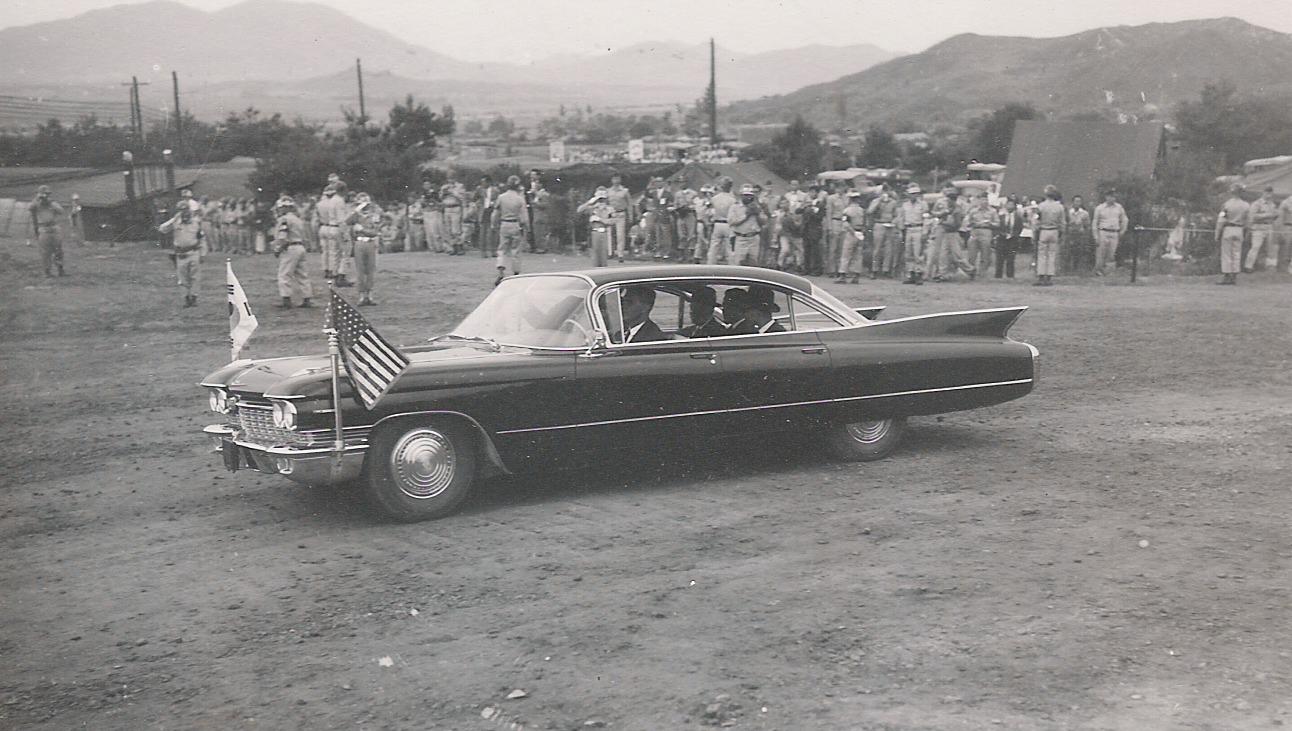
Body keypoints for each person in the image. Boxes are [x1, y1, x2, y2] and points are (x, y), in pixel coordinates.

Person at [158, 204, 203, 307]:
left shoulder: (196, 222)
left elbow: (201, 238)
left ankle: (194, 297)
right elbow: (162, 229)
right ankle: (186, 298)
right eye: (181, 210)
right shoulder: (176, 223)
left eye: (186, 210)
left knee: (195, 276)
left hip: (193, 251)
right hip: (181, 253)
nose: (184, 212)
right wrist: (174, 219)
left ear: (189, 211)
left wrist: (203, 253)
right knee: (183, 278)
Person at [272, 196, 313, 308]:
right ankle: (307, 298)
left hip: (290, 247)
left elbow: (283, 236)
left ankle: (286, 299)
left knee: (284, 274)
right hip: (300, 246)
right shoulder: (298, 219)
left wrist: (278, 248)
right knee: (302, 274)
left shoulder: (285, 219)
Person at [929, 186, 975, 282]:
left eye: (951, 199)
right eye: (949, 199)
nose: (949, 201)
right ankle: (942, 274)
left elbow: (957, 225)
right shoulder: (947, 208)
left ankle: (970, 270)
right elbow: (936, 214)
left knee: (957, 255)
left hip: (953, 234)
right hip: (946, 233)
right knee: (943, 254)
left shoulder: (957, 210)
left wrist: (944, 223)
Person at [346, 192, 382, 305]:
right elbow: (347, 221)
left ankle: (369, 295)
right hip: (359, 242)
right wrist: (356, 211)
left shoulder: (374, 215)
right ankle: (361, 295)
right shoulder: (356, 216)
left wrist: (362, 230)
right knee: (360, 270)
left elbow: (374, 232)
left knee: (370, 270)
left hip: (370, 242)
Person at [494, 175, 529, 286]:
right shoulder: (520, 199)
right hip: (515, 224)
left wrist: (493, 224)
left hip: (504, 223)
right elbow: (524, 216)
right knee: (516, 250)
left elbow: (495, 213)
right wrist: (525, 226)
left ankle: (501, 272)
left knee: (502, 249)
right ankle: (516, 274)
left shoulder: (501, 197)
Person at [1214, 183, 1250, 285]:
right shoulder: (1246, 205)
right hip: (1239, 229)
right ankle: (1234, 275)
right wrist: (1246, 231)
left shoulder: (1227, 205)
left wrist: (1217, 233)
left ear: (1232, 192)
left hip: (1228, 228)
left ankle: (1227, 275)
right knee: (1236, 253)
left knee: (1226, 253)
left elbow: (1221, 219)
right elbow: (1248, 220)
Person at [314, 183, 349, 285]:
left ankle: (333, 272)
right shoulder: (339, 201)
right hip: (337, 227)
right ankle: (341, 275)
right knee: (345, 253)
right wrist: (345, 233)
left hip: (328, 226)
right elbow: (340, 218)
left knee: (333, 252)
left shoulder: (327, 202)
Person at [28, 185, 66, 277]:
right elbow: (30, 207)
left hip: (54, 227)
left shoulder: (52, 203)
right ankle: (47, 272)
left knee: (58, 250)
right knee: (45, 252)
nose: (45, 196)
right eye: (44, 194)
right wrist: (37, 199)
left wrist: (50, 203)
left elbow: (61, 211)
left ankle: (60, 269)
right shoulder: (36, 204)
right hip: (43, 229)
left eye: (47, 194)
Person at [1033, 185, 1066, 286]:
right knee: (1052, 254)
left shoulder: (1041, 206)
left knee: (1042, 254)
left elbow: (1036, 220)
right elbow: (1062, 222)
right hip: (1054, 231)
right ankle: (1049, 277)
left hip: (1044, 230)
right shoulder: (1059, 206)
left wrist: (1035, 231)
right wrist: (1062, 232)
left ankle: (1041, 276)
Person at [896, 183, 929, 284]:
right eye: (911, 194)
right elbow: (901, 218)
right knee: (908, 253)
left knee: (918, 253)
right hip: (908, 229)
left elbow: (926, 219)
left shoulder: (923, 205)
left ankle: (919, 273)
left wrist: (925, 231)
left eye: (915, 194)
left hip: (918, 228)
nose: (913, 196)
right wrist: (901, 230)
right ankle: (910, 273)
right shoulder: (905, 205)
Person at [728, 184, 767, 267]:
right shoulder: (735, 207)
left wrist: (757, 214)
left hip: (754, 237)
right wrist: (746, 216)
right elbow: (731, 222)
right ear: (741, 195)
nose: (748, 197)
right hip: (741, 237)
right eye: (746, 195)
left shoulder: (756, 206)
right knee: (738, 262)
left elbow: (764, 222)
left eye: (750, 195)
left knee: (753, 262)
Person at [1092, 190, 1128, 276]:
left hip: (1114, 232)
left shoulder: (1119, 207)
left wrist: (1123, 230)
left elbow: (1125, 219)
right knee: (1101, 252)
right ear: (1106, 197)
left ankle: (1108, 272)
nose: (1112, 198)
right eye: (1110, 196)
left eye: (1113, 196)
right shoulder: (1100, 208)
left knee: (1111, 253)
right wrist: (1095, 236)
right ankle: (1098, 271)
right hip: (1103, 231)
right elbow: (1095, 222)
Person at [577, 187, 615, 267]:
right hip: (594, 232)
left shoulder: (609, 209)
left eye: (603, 199)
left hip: (604, 232)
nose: (601, 201)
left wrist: (600, 219)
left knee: (603, 257)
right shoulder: (592, 208)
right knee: (595, 257)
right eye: (599, 199)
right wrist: (590, 202)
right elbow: (579, 210)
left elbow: (612, 221)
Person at [867, 186, 900, 278]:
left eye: (886, 191)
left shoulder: (893, 202)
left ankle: (886, 270)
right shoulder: (875, 201)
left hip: (889, 225)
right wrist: (878, 201)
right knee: (877, 249)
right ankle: (874, 269)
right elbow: (870, 211)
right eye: (883, 191)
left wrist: (893, 222)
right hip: (879, 224)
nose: (885, 193)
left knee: (889, 249)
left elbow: (897, 215)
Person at [1244, 186, 1278, 272]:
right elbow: (1252, 216)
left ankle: (1270, 266)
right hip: (1258, 227)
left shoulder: (1272, 204)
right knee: (1255, 247)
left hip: (1269, 226)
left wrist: (1275, 215)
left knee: (1271, 247)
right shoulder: (1257, 203)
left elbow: (1274, 215)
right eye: (1267, 192)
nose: (1268, 194)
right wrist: (1267, 215)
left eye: (1270, 193)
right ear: (1263, 192)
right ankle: (1248, 266)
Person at [963, 195, 998, 278]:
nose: (984, 202)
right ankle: (971, 271)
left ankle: (982, 273)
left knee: (985, 253)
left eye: (986, 200)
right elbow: (967, 222)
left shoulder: (992, 211)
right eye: (982, 200)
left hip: (986, 231)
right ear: (979, 201)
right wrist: (971, 223)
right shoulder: (973, 211)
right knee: (972, 253)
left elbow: (997, 223)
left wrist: (990, 223)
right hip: (975, 231)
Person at [838, 190, 868, 284]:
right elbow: (865, 223)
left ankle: (843, 275)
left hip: (851, 232)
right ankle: (856, 275)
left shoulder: (847, 210)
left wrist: (853, 232)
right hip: (859, 232)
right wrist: (861, 232)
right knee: (858, 255)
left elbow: (846, 223)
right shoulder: (862, 210)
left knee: (846, 254)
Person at [705, 178, 737, 265]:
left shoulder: (714, 198)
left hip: (717, 223)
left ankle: (710, 265)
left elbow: (709, 211)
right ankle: (732, 267)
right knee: (729, 248)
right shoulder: (733, 200)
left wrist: (710, 220)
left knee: (714, 246)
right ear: (730, 187)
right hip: (728, 224)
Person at [605, 172, 635, 262]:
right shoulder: (608, 191)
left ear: (620, 180)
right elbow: (605, 203)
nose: (616, 180)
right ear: (611, 180)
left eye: (617, 178)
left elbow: (630, 204)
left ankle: (620, 254)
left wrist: (631, 215)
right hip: (610, 214)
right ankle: (610, 253)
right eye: (614, 178)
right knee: (609, 234)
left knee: (620, 235)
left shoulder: (625, 191)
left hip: (621, 214)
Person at [824, 182, 850, 279]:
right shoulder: (831, 198)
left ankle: (841, 270)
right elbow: (829, 213)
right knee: (833, 248)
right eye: (839, 187)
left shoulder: (847, 198)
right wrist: (829, 227)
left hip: (844, 223)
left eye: (842, 187)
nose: (840, 189)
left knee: (842, 248)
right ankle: (831, 270)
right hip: (835, 221)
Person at [995, 198, 1025, 279]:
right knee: (999, 258)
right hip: (1001, 239)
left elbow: (1020, 228)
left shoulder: (1018, 218)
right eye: (1008, 204)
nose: (1010, 206)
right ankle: (998, 275)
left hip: (1013, 240)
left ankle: (1010, 275)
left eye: (1011, 205)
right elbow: (997, 227)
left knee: (1011, 258)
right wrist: (1002, 234)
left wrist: (1014, 235)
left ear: (1014, 206)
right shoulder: (1001, 217)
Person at [1065, 195, 1092, 273]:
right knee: (1069, 251)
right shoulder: (1069, 213)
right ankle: (1067, 269)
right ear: (1073, 202)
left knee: (1079, 251)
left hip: (1080, 234)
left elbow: (1087, 224)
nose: (1077, 203)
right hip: (1070, 234)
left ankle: (1077, 268)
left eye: (1079, 201)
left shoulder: (1084, 213)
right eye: (1076, 201)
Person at [526, 175, 551, 254]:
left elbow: (544, 205)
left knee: (541, 232)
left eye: (537, 183)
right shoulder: (537, 194)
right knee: (537, 232)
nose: (535, 185)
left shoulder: (544, 194)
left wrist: (534, 202)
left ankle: (542, 248)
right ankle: (539, 247)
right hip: (536, 216)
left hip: (541, 216)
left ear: (541, 184)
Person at [673, 182, 698, 261]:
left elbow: (696, 204)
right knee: (681, 235)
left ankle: (691, 254)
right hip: (681, 215)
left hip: (689, 214)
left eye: (683, 182)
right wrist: (678, 210)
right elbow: (675, 204)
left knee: (691, 234)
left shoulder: (693, 193)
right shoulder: (677, 194)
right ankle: (681, 255)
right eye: (680, 182)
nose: (682, 184)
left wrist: (689, 207)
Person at [1278, 190, 1292, 274]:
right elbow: (1280, 217)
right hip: (1288, 226)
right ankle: (1283, 267)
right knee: (1286, 247)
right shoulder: (1286, 202)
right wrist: (1281, 229)